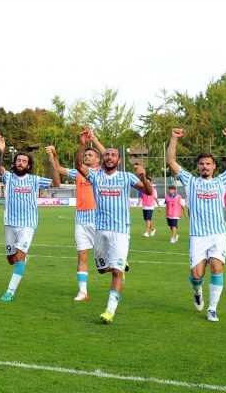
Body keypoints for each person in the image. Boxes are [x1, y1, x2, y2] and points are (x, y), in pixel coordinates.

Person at [75, 131, 153, 324]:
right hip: (99, 230)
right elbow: (78, 165)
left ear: (118, 160)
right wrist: (82, 145)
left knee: (117, 272)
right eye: (107, 154)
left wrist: (143, 178)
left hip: (120, 231)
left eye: (113, 155)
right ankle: (120, 262)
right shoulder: (95, 176)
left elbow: (149, 191)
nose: (109, 157)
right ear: (103, 159)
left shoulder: (126, 177)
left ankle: (109, 311)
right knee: (103, 269)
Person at [166, 127, 226, 322]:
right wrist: (173, 138)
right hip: (198, 236)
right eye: (201, 164)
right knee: (197, 274)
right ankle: (197, 289)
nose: (205, 167)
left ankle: (212, 309)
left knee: (217, 267)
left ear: (214, 166)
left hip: (217, 234)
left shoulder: (221, 181)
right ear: (197, 167)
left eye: (208, 164)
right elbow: (171, 161)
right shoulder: (190, 181)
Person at [0, 137, 58, 302]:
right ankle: (20, 259)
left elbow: (56, 183)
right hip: (9, 223)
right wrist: (0, 151)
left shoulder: (35, 180)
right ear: (15, 163)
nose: (21, 163)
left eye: (24, 161)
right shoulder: (8, 177)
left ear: (29, 165)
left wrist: (52, 160)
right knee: (11, 259)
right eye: (18, 160)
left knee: (20, 257)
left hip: (28, 224)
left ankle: (10, 292)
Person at [47, 129, 105, 301]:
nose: (87, 157)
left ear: (98, 160)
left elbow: (108, 154)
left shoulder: (102, 173)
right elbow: (58, 169)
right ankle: (83, 291)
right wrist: (55, 155)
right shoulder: (78, 173)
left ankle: (118, 263)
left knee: (103, 263)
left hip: (98, 218)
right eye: (85, 155)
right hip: (81, 218)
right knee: (82, 254)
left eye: (90, 155)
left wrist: (94, 139)